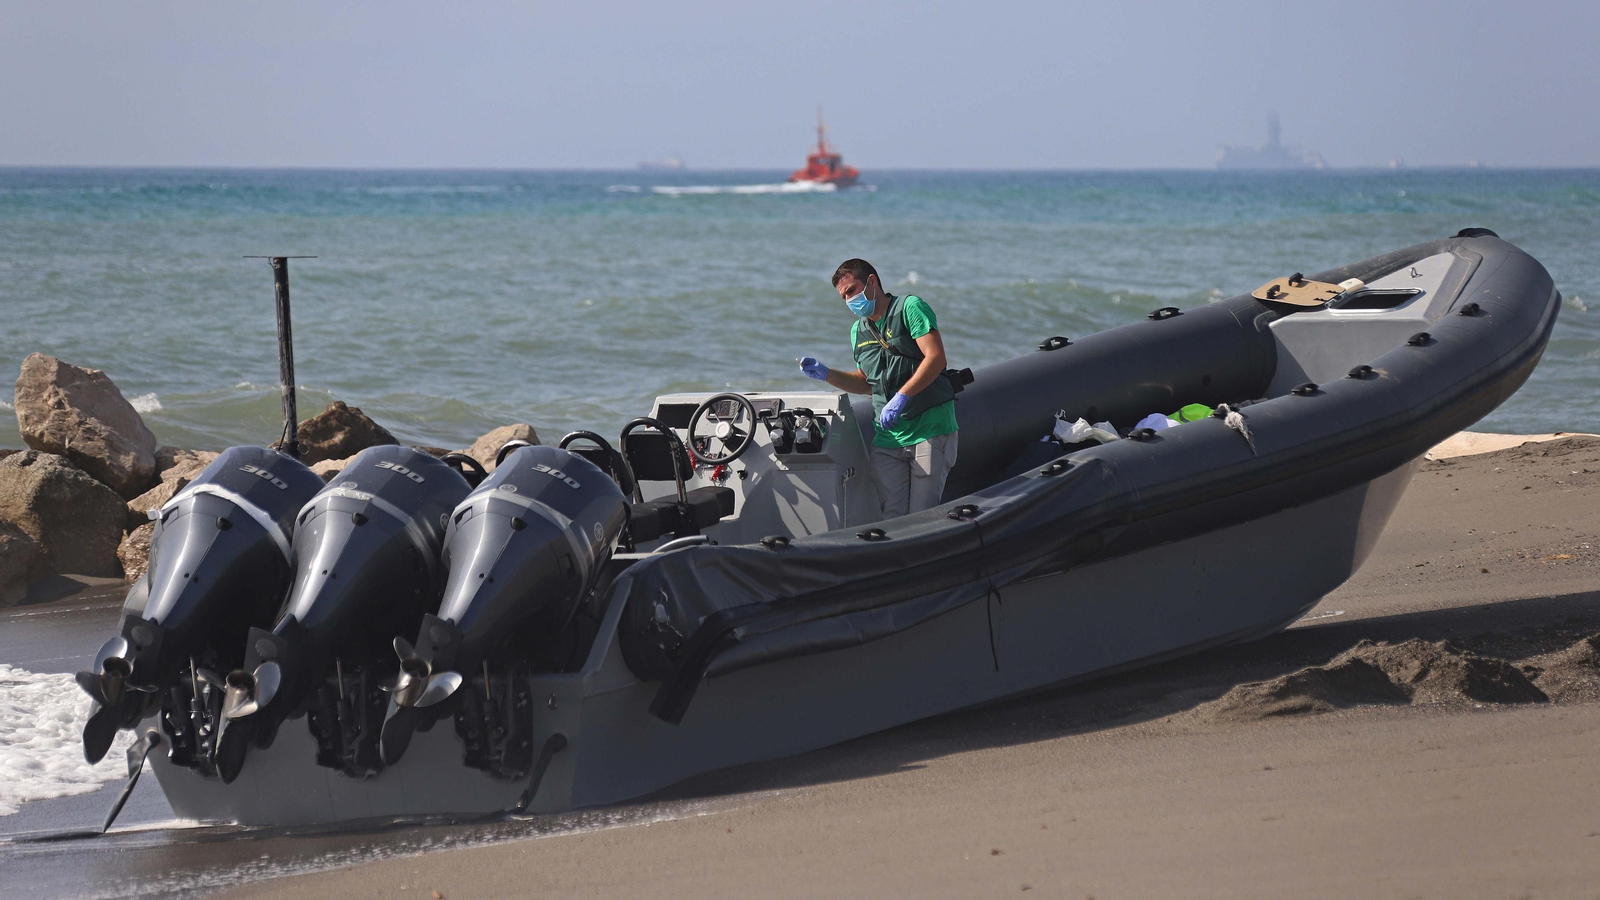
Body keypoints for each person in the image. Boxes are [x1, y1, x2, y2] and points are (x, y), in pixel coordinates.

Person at [798, 258, 958, 518]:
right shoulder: (858, 331)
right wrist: (828, 374)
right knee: (893, 516)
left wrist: (903, 396)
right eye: (843, 297)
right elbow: (866, 383)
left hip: (929, 428)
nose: (849, 300)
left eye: (852, 290)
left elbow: (936, 358)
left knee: (922, 515)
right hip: (888, 438)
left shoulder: (909, 307)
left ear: (872, 281)